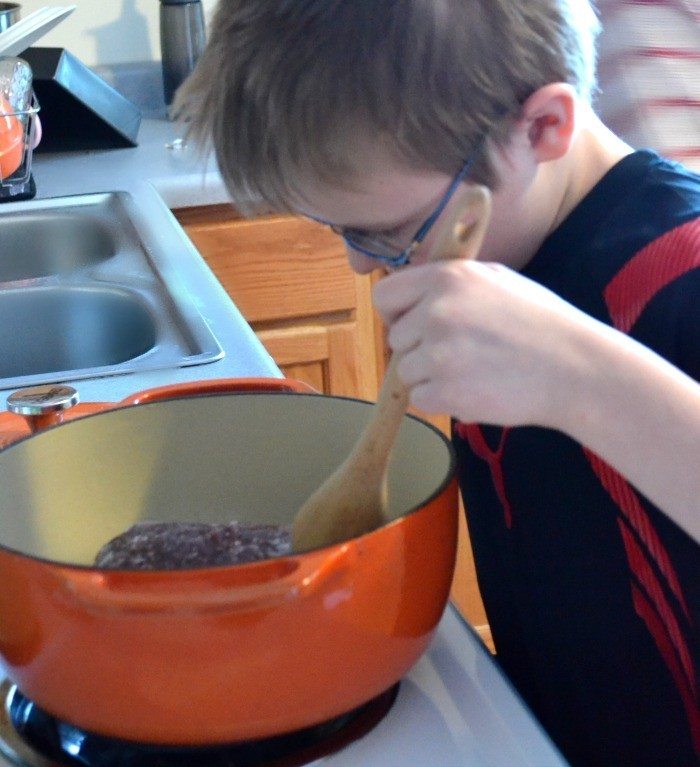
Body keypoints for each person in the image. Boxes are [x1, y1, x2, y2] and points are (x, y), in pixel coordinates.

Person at [174, 2, 700, 765]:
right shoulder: (499, 261)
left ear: (543, 128)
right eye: (340, 231)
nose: (362, 264)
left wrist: (576, 374)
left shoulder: (678, 271)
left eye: (388, 232)